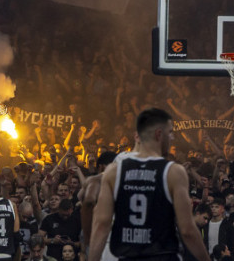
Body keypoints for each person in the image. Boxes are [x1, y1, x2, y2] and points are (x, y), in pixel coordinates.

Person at [88, 107, 210, 261]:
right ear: (159, 134)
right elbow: (187, 230)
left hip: (128, 256)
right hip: (163, 256)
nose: (172, 137)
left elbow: (101, 224)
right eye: (170, 132)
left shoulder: (114, 172)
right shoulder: (173, 172)